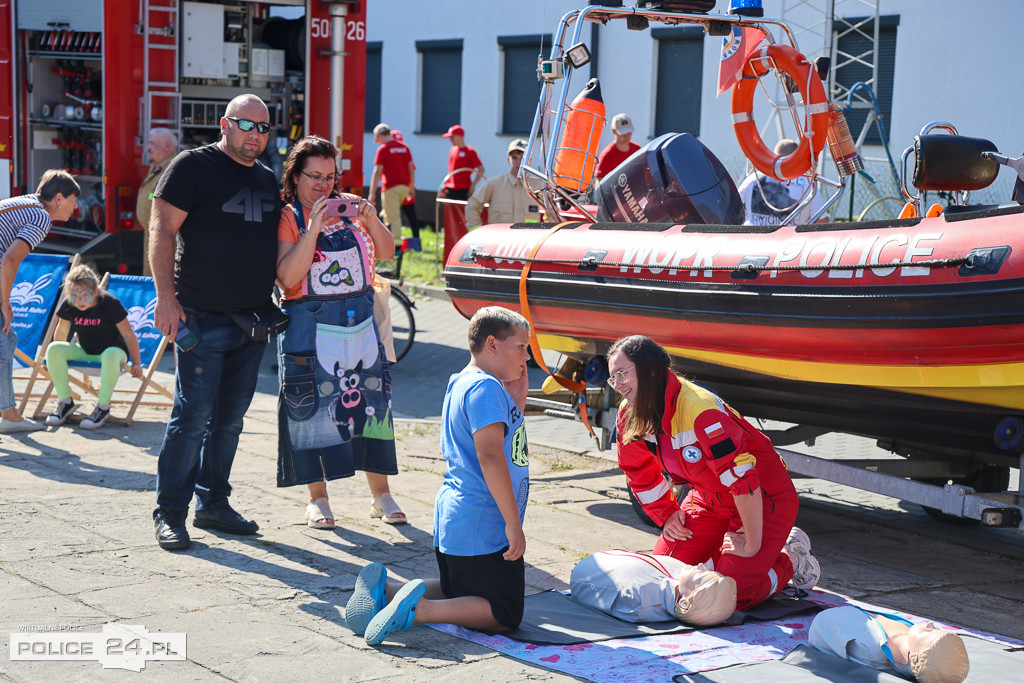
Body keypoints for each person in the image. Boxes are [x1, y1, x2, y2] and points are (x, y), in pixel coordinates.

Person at [345, 306, 531, 645]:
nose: (526, 356)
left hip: (457, 518)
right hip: (483, 520)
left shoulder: (462, 381)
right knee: (504, 612)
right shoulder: (486, 389)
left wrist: (515, 402)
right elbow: (489, 455)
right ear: (492, 344)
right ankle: (419, 612)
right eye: (520, 346)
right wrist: (512, 522)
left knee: (456, 587)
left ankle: (387, 590)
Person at [150, 93, 282, 551]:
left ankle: (213, 504)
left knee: (229, 422)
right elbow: (162, 230)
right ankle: (170, 513)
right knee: (192, 419)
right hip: (200, 315)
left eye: (264, 128)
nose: (256, 136)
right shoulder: (192, 166)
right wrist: (165, 298)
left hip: (253, 321)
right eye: (247, 125)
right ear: (225, 124)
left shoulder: (268, 179)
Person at [607, 335, 819, 612]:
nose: (618, 385)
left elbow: (744, 482)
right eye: (613, 378)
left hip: (763, 498)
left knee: (733, 596)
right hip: (707, 499)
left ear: (651, 371)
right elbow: (637, 470)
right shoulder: (630, 412)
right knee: (662, 579)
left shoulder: (700, 409)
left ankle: (791, 557)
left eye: (622, 374)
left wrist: (752, 543)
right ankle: (722, 560)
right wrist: (666, 513)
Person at [276, 135, 403, 530]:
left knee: (371, 407)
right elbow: (287, 277)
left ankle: (381, 495)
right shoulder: (288, 218)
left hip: (360, 326)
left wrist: (370, 218)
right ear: (295, 176)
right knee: (311, 410)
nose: (324, 185)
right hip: (309, 330)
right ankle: (317, 498)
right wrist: (312, 227)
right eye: (314, 176)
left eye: (331, 177)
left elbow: (386, 252)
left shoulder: (349, 210)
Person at [0, 169, 80, 433]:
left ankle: (8, 412)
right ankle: (9, 416)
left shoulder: (26, 203)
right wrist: (5, 302)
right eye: (73, 200)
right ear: (59, 198)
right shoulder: (40, 216)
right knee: (2, 347)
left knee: (8, 341)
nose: (75, 207)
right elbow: (9, 260)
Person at [44, 264, 144, 429]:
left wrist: (137, 363)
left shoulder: (110, 303)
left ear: (96, 292)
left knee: (110, 353)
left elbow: (128, 335)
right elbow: (61, 334)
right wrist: (54, 361)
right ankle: (66, 402)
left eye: (85, 295)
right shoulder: (69, 304)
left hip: (114, 354)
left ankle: (103, 408)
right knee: (54, 349)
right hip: (86, 351)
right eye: (75, 295)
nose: (80, 300)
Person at [570, 550, 737, 626]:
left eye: (700, 576)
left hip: (587, 570)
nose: (701, 565)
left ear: (685, 603)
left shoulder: (638, 599)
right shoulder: (679, 574)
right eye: (707, 570)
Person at [809, 605, 969, 683]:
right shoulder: (913, 640)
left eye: (928, 632)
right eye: (935, 629)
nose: (929, 624)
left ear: (914, 657)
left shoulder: (870, 648)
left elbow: (823, 621)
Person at [736, 139, 828, 225]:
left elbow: (733, 208)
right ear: (796, 157)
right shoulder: (807, 184)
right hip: (789, 240)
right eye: (781, 193)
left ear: (774, 156)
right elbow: (822, 220)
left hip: (752, 238)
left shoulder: (753, 179)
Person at [465, 139, 541, 228]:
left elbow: (552, 212)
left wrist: (547, 236)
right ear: (508, 159)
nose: (519, 162)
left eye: (523, 158)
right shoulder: (494, 184)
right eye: (514, 157)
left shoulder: (538, 187)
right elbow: (472, 206)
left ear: (529, 160)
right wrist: (476, 231)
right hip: (499, 240)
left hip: (529, 241)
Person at [137, 128, 179, 276]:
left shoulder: (173, 169)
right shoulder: (157, 167)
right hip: (152, 236)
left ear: (167, 145)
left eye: (152, 143)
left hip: (164, 241)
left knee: (160, 282)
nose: (147, 148)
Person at [367, 123, 414, 242]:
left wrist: (372, 193)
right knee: (388, 213)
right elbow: (411, 169)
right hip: (404, 187)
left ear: (380, 135)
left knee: (393, 217)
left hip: (390, 187)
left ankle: (395, 246)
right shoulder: (404, 147)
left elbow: (377, 172)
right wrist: (411, 188)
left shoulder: (383, 149)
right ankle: (388, 239)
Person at [441, 124, 485, 201]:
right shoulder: (452, 150)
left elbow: (481, 169)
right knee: (450, 212)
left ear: (460, 136)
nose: (451, 140)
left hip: (463, 189)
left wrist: (473, 185)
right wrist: (445, 184)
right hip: (451, 189)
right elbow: (451, 170)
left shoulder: (470, 151)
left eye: (452, 137)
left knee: (463, 212)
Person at [390, 130, 421, 239]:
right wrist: (411, 187)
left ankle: (394, 243)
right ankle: (416, 242)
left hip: (392, 191)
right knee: (411, 217)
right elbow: (412, 171)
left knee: (393, 218)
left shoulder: (388, 152)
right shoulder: (405, 151)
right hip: (406, 190)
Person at [595, 113, 641, 182]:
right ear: (614, 131)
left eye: (629, 133)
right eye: (623, 133)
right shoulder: (607, 155)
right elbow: (599, 183)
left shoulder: (637, 150)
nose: (627, 136)